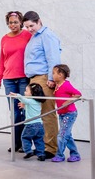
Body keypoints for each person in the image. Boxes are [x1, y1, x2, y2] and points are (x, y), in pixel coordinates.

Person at [23, 10, 62, 159]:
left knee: (47, 113)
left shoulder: (47, 35)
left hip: (44, 78)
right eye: (27, 27)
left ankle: (51, 149)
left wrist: (52, 78)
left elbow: (53, 57)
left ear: (39, 21)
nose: (29, 29)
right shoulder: (35, 37)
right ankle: (42, 147)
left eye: (31, 25)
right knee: (39, 114)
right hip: (34, 79)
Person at [0, 11, 32, 153]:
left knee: (24, 110)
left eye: (16, 22)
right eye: (10, 22)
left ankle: (25, 144)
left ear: (21, 22)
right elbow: (1, 59)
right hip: (8, 79)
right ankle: (16, 143)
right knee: (15, 113)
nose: (13, 25)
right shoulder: (4, 38)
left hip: (23, 78)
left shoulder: (27, 35)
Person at [51, 64, 82, 162]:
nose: (52, 75)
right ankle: (75, 154)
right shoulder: (57, 85)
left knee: (62, 135)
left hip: (69, 114)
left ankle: (60, 155)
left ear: (60, 75)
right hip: (62, 114)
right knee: (67, 135)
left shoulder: (66, 85)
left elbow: (78, 94)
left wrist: (67, 102)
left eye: (53, 73)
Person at [10, 82, 47, 161]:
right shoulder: (38, 102)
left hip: (30, 125)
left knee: (25, 137)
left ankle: (28, 151)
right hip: (40, 125)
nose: (24, 92)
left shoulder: (29, 101)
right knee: (39, 140)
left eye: (26, 91)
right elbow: (31, 110)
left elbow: (23, 99)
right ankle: (41, 154)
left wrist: (17, 95)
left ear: (32, 93)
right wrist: (24, 106)